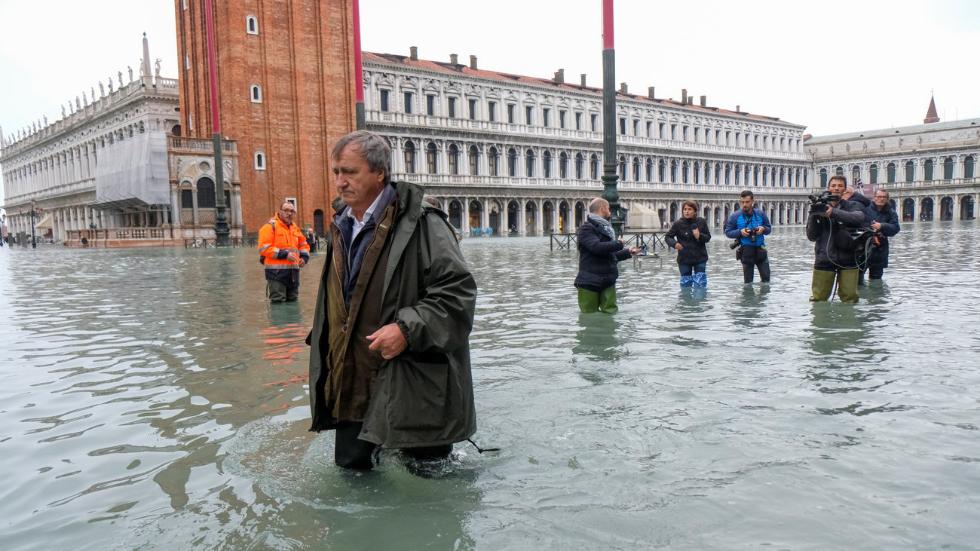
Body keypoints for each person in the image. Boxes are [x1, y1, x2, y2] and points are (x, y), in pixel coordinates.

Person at [307, 130, 477, 472]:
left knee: (428, 484)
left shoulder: (424, 224)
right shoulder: (341, 225)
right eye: (336, 172)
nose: (340, 182)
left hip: (413, 382)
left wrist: (406, 330)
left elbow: (458, 294)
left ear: (379, 172)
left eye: (349, 172)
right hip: (351, 378)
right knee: (353, 475)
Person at [806, 175, 869, 303]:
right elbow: (811, 236)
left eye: (840, 186)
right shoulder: (820, 206)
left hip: (849, 258)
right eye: (833, 186)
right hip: (824, 258)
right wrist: (814, 214)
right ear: (828, 188)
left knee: (850, 299)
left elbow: (858, 218)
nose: (836, 188)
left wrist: (833, 212)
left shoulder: (853, 205)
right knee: (818, 299)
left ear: (845, 189)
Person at [574, 197, 641, 314]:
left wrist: (628, 252)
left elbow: (610, 255)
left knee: (611, 313)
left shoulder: (607, 229)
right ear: (602, 209)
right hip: (589, 281)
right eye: (608, 208)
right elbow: (596, 247)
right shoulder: (586, 229)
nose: (610, 211)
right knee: (589, 316)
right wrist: (618, 243)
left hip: (608, 280)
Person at [257, 201, 310, 303]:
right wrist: (285, 254)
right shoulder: (270, 227)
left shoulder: (295, 228)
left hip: (293, 274)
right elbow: (263, 248)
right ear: (279, 212)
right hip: (276, 274)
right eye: (286, 210)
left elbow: (304, 245)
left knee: (293, 301)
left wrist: (304, 257)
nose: (289, 213)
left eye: (292, 211)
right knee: (278, 303)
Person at [724, 190, 772, 283]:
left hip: (761, 250)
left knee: (766, 280)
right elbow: (728, 232)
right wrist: (740, 232)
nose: (744, 204)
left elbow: (769, 229)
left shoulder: (760, 214)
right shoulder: (735, 216)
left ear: (752, 201)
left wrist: (763, 229)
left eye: (747, 202)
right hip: (746, 252)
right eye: (742, 202)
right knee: (748, 282)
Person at [664, 200, 711, 288]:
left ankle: (699, 300)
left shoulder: (701, 222)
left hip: (700, 258)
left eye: (689, 209)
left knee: (700, 285)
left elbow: (708, 237)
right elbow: (668, 237)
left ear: (695, 211)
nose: (687, 211)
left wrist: (699, 236)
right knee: (686, 287)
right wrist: (674, 244)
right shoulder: (678, 224)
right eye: (685, 209)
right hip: (684, 259)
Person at [862, 189, 901, 282]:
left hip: (880, 250)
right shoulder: (865, 209)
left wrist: (882, 226)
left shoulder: (891, 212)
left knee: (876, 280)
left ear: (887, 199)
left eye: (884, 197)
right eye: (879, 197)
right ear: (874, 198)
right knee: (858, 279)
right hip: (863, 249)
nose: (881, 199)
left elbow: (896, 228)